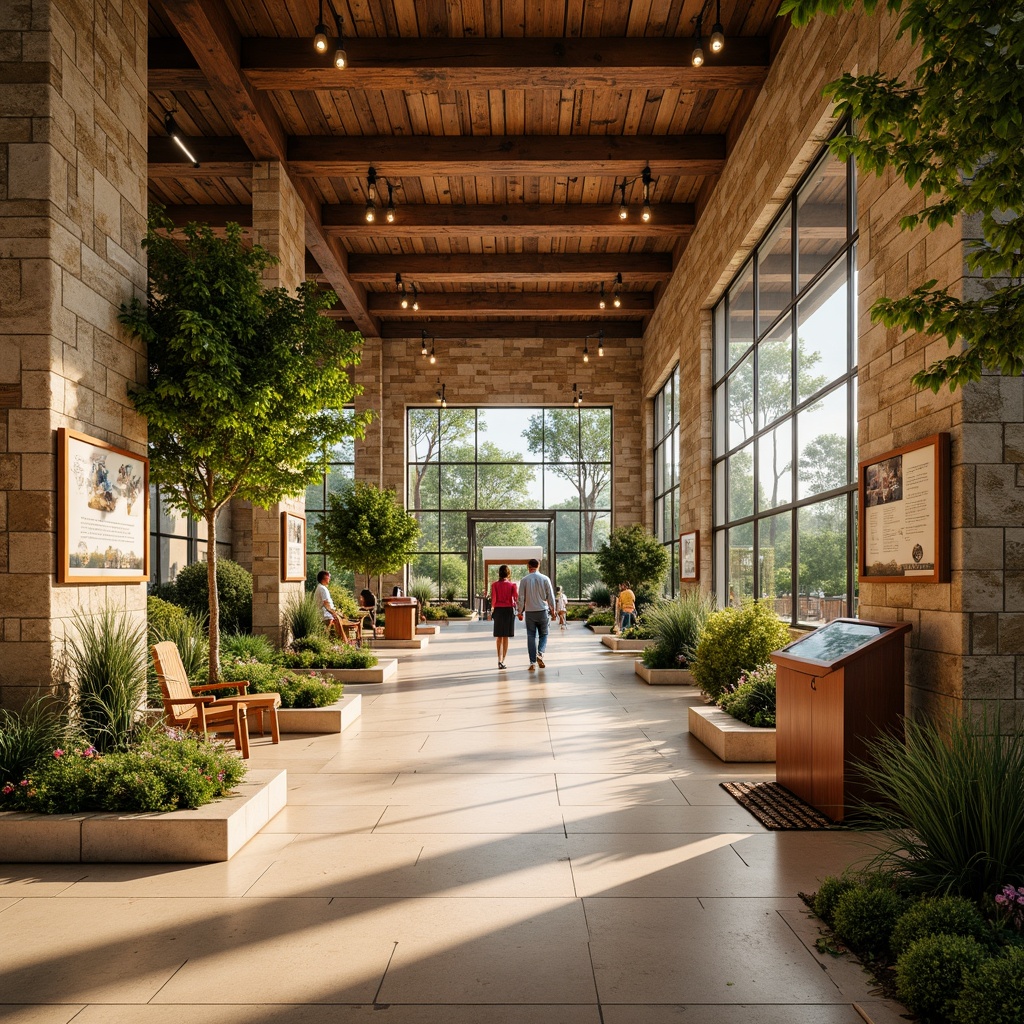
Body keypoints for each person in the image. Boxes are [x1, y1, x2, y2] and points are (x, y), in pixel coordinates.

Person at [516, 557, 556, 671]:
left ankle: (532, 662)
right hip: (542, 611)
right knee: (544, 634)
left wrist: (519, 612)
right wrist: (553, 610)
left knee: (531, 636)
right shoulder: (545, 579)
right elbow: (550, 596)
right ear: (538, 566)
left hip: (529, 612)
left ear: (528, 567)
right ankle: (540, 653)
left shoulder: (524, 580)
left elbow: (521, 598)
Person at [490, 565, 518, 669]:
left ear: (499, 573)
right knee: (506, 636)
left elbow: (493, 599)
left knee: (499, 636)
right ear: (508, 573)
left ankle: (499, 659)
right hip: (508, 610)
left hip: (498, 610)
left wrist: (491, 612)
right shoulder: (512, 585)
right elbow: (515, 598)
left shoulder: (494, 585)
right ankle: (503, 660)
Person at [314, 570, 346, 637]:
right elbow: (326, 603)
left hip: (326, 614)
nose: (329, 578)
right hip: (326, 615)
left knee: (327, 633)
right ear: (324, 578)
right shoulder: (322, 588)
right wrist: (333, 613)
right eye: (328, 577)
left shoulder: (321, 587)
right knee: (326, 633)